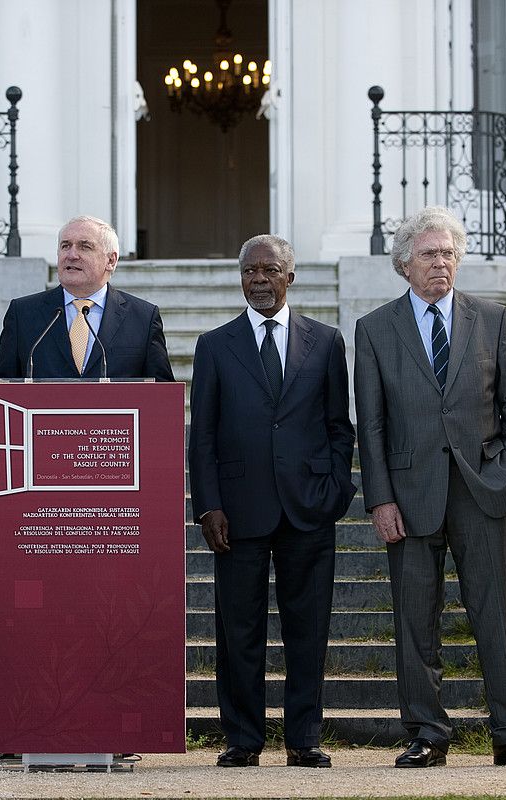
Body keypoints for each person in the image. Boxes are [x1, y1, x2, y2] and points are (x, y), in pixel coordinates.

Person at [354, 206, 506, 769]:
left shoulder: (492, 319)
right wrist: (380, 498)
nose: (441, 263)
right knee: (415, 619)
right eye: (429, 254)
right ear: (404, 265)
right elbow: (369, 424)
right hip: (409, 496)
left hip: (482, 491)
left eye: (448, 254)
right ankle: (427, 733)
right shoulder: (374, 329)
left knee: (494, 615)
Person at [189, 235, 355, 768]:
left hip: (308, 508)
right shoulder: (214, 344)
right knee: (239, 631)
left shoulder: (326, 342)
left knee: (309, 630)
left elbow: (338, 426)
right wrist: (206, 505)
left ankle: (304, 738)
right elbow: (203, 436)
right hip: (236, 513)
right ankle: (243, 738)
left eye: (269, 270)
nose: (259, 279)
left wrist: (335, 490)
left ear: (291, 275)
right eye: (249, 271)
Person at [0, 215, 174, 380]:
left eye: (85, 247)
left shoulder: (143, 317)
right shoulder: (23, 313)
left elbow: (162, 393)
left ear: (111, 260)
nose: (71, 255)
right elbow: (1, 386)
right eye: (65, 246)